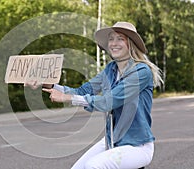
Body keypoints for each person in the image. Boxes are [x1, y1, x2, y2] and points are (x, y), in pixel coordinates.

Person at [26, 21, 163, 169]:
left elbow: (109, 101)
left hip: (137, 146)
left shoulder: (141, 72)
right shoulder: (111, 70)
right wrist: (47, 84)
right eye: (111, 39)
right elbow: (82, 92)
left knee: (94, 165)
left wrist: (68, 98)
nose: (114, 43)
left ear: (131, 44)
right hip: (113, 140)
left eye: (120, 39)